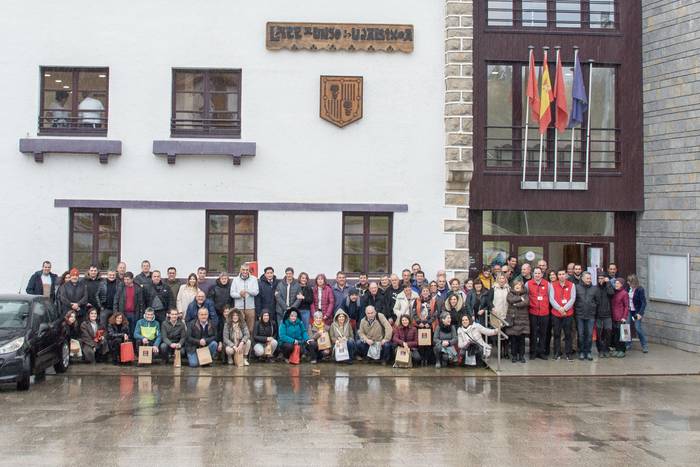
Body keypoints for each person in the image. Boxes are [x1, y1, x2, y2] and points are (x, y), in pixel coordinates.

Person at [551, 270, 577, 361]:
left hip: (568, 314)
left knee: (568, 334)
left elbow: (573, 298)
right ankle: (557, 353)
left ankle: (568, 354)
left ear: (566, 275)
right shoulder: (553, 285)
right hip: (556, 313)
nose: (561, 276)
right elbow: (551, 299)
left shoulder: (571, 285)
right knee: (557, 334)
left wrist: (564, 308)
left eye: (563, 274)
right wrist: (559, 308)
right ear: (557, 276)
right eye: (559, 274)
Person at [525, 267, 551, 360]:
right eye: (535, 273)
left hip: (545, 313)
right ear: (533, 274)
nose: (537, 275)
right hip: (533, 312)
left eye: (539, 273)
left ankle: (541, 352)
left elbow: (550, 297)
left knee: (543, 333)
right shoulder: (528, 284)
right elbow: (526, 296)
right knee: (533, 333)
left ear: (542, 274)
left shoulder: (547, 284)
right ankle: (533, 352)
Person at [230, 264, 259, 338]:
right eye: (243, 270)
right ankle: (239, 345)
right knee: (238, 327)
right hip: (239, 307)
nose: (245, 271)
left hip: (250, 307)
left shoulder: (254, 279)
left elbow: (256, 292)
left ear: (249, 270)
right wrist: (239, 295)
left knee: (250, 328)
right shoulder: (235, 279)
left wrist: (248, 291)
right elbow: (232, 293)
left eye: (247, 270)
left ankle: (250, 346)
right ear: (240, 270)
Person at [574, 272, 597, 361]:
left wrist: (594, 309)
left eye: (590, 278)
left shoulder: (594, 289)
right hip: (580, 315)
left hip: (590, 315)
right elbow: (574, 300)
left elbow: (597, 301)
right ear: (582, 278)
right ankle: (582, 352)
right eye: (587, 278)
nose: (589, 280)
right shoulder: (577, 287)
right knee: (581, 334)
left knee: (590, 334)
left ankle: (588, 351)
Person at [114, 272, 145, 338]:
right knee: (124, 332)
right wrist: (116, 313)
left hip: (134, 314)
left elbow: (141, 303)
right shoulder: (121, 287)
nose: (126, 281)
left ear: (132, 279)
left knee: (134, 331)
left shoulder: (138, 288)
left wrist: (141, 315)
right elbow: (116, 300)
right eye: (124, 279)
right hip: (123, 313)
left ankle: (133, 347)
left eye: (127, 279)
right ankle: (124, 347)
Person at [506, 281, 530, 363]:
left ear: (522, 287)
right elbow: (510, 300)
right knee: (513, 340)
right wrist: (520, 299)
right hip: (513, 321)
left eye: (519, 285)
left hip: (523, 321)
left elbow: (526, 302)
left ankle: (522, 356)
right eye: (516, 285)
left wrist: (516, 304)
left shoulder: (525, 294)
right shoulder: (510, 293)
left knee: (521, 340)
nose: (517, 286)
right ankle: (514, 356)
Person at [594, 272, 615, 358]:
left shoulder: (608, 287)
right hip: (598, 315)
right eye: (599, 278)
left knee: (608, 332)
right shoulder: (595, 288)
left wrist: (608, 283)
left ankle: (606, 349)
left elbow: (611, 293)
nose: (600, 280)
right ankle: (600, 350)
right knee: (599, 334)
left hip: (607, 315)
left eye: (602, 278)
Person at [627, 274, 649, 353]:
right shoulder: (628, 288)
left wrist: (640, 313)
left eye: (629, 281)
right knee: (626, 326)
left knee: (637, 328)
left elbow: (644, 303)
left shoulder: (640, 289)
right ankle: (628, 343)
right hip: (629, 311)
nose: (628, 283)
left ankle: (644, 345)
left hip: (637, 312)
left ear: (634, 282)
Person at [208, 272, 232, 336]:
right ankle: (218, 342)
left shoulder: (230, 287)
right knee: (217, 328)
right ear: (219, 279)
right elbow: (210, 300)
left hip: (227, 312)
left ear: (228, 279)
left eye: (225, 278)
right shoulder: (214, 287)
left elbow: (232, 300)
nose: (224, 280)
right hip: (216, 312)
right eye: (222, 278)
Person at [610, 278, 629, 358]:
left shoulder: (624, 293)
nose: (616, 285)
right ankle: (617, 349)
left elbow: (626, 306)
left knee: (622, 335)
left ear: (622, 284)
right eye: (615, 283)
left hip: (621, 317)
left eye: (618, 283)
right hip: (614, 317)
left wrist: (624, 317)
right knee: (616, 335)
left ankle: (622, 350)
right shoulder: (614, 292)